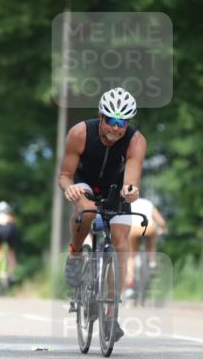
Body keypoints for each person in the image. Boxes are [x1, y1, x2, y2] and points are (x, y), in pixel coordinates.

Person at [59, 88, 146, 341]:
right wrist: (70, 188)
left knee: (120, 242)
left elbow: (131, 181)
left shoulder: (136, 141)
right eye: (111, 120)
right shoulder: (80, 133)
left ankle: (110, 316)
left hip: (114, 188)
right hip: (83, 183)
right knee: (87, 211)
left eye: (122, 122)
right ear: (101, 115)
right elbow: (64, 175)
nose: (116, 128)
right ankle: (75, 254)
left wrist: (130, 192)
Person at [124, 196, 167, 296]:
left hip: (133, 229)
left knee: (131, 256)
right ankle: (152, 263)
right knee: (151, 246)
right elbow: (161, 222)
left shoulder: (128, 203)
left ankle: (130, 285)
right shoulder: (148, 203)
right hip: (149, 228)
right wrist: (163, 229)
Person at [0, 201, 20, 284]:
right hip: (10, 231)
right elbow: (15, 228)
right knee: (11, 252)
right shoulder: (11, 216)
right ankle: (12, 273)